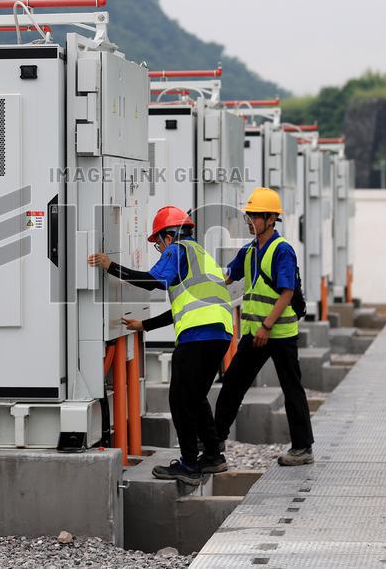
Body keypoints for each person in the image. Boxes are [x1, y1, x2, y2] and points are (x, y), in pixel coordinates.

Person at [89, 206, 232, 485]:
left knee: (180, 400)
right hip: (220, 334)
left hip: (197, 336)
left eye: (158, 241)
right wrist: (147, 325)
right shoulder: (202, 256)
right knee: (196, 396)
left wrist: (111, 266)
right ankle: (213, 456)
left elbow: (152, 282)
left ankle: (189, 464)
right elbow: (187, 305)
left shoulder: (177, 251)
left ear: (169, 235)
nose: (160, 247)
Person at [214, 187, 315, 467]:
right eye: (249, 216)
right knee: (232, 383)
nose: (249, 221)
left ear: (271, 218)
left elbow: (287, 291)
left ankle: (303, 448)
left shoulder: (282, 250)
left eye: (255, 216)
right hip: (254, 333)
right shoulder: (249, 251)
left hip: (278, 332)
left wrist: (267, 325)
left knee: (291, 388)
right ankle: (214, 441)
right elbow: (228, 276)